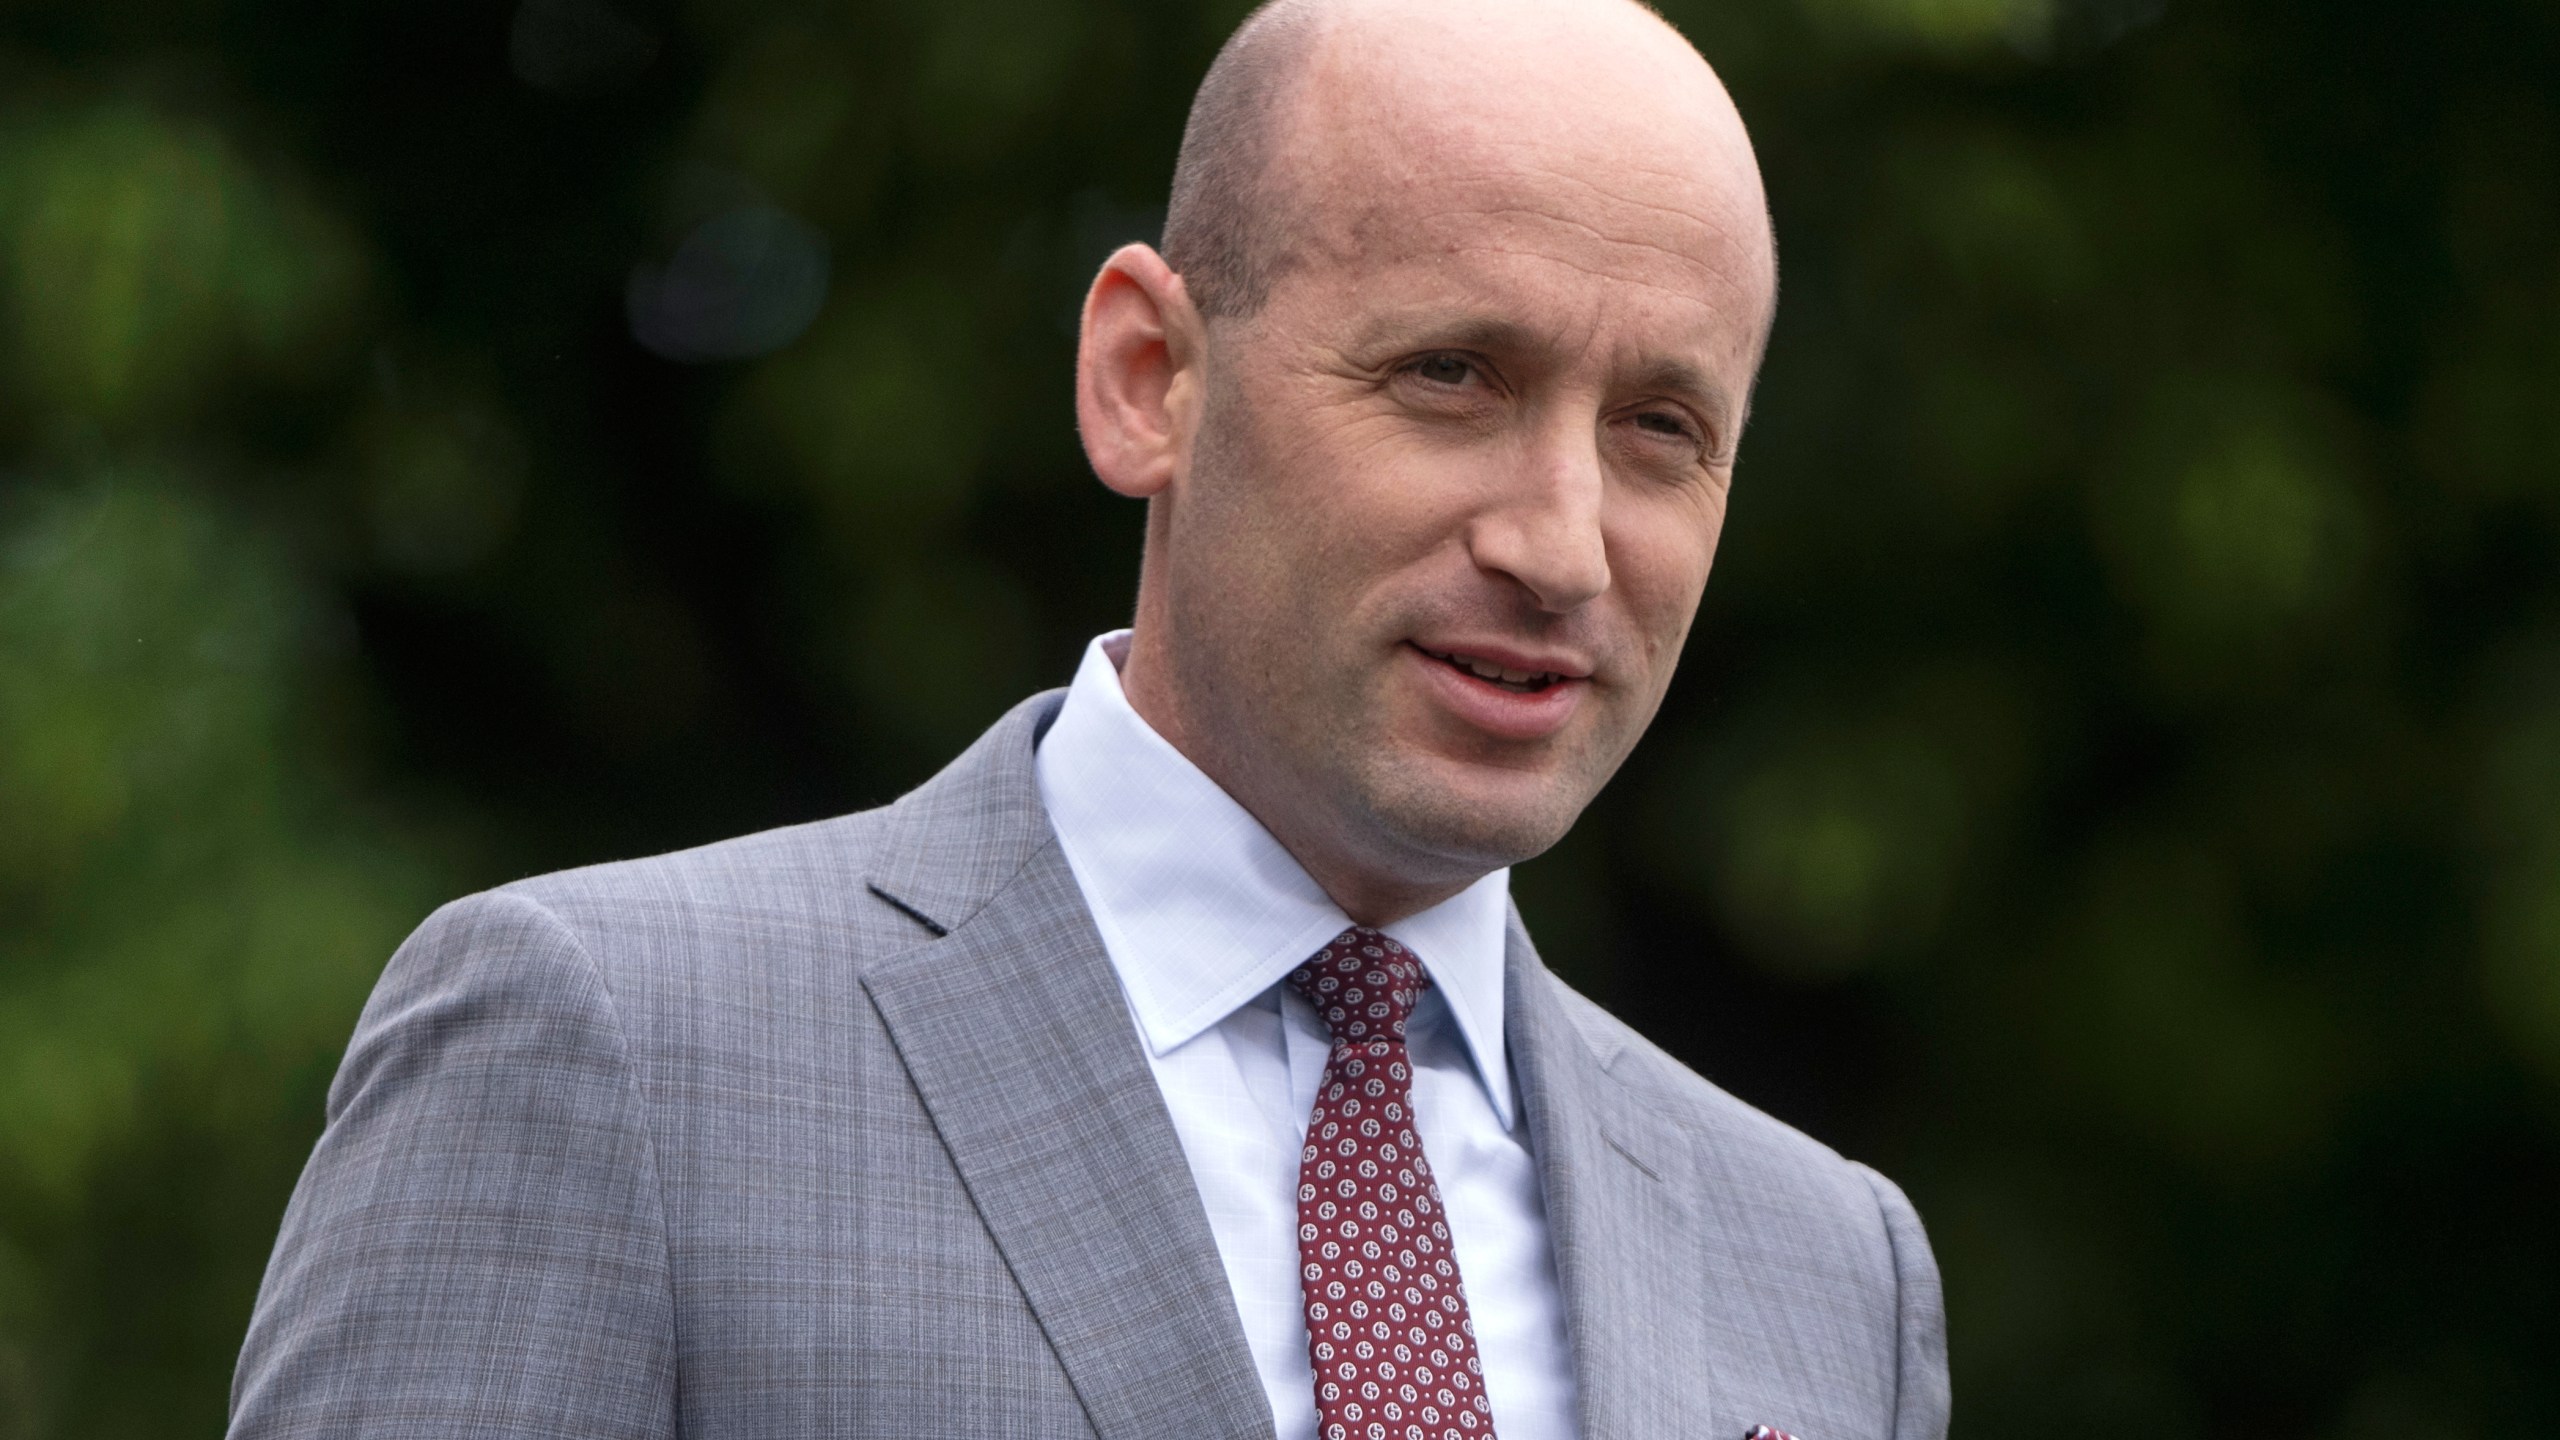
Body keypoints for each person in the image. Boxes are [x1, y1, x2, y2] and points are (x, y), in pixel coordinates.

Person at [229, 0, 1951, 1436]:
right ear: (1149, 379)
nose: (1560, 544)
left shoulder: (1829, 1273)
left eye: (1662, 425)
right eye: (1452, 376)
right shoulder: (610, 1053)